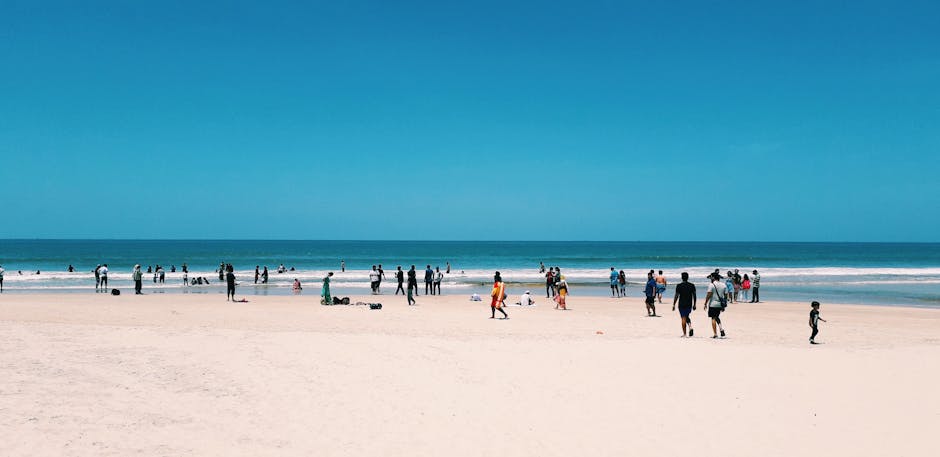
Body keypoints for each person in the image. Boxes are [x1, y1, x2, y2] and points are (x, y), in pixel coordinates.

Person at [672, 272, 697, 337]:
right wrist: (694, 304)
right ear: (687, 277)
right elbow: (694, 295)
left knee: (683, 318)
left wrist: (674, 304)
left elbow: (676, 296)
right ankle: (690, 327)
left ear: (682, 278)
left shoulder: (679, 285)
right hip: (689, 304)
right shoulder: (692, 285)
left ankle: (685, 334)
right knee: (686, 316)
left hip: (681, 304)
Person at [704, 273, 728, 338]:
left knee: (713, 318)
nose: (710, 278)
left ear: (713, 277)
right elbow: (726, 296)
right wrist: (724, 304)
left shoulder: (712, 285)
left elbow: (709, 295)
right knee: (717, 316)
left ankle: (715, 334)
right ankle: (721, 329)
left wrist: (705, 303)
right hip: (720, 304)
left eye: (711, 277)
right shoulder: (723, 285)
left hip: (713, 304)